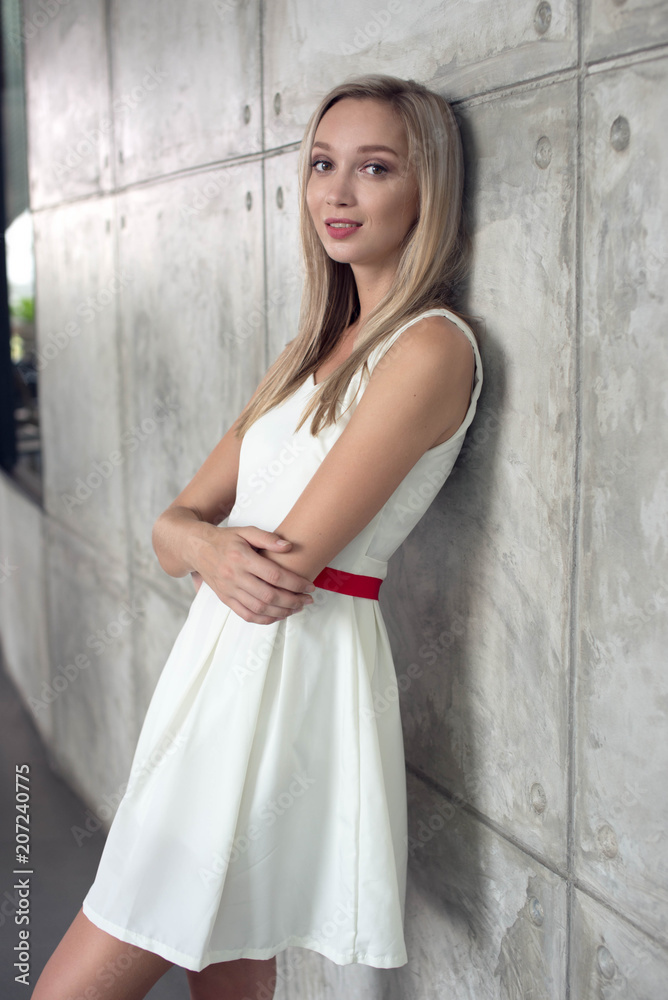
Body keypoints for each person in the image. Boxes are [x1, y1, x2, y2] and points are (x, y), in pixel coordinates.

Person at [31, 72, 483, 1000]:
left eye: (375, 167)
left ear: (424, 191)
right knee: (228, 970)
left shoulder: (431, 348)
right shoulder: (305, 356)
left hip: (289, 679)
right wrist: (204, 546)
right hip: (217, 675)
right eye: (323, 164)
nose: (338, 192)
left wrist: (210, 542)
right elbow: (170, 529)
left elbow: (281, 569)